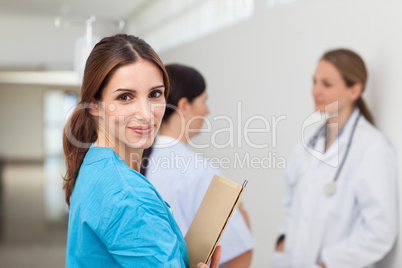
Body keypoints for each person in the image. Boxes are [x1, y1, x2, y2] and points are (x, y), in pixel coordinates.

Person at [63, 34, 221, 268]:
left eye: (155, 94)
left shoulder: (94, 162)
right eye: (125, 97)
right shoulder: (128, 196)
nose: (146, 114)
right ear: (94, 105)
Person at [273, 48, 398, 268]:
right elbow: (290, 205)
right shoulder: (307, 145)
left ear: (354, 90)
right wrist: (282, 243)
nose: (315, 91)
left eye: (326, 84)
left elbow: (380, 231)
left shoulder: (372, 148)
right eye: (314, 82)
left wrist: (328, 263)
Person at [141, 63, 255, 268]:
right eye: (204, 101)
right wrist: (242, 217)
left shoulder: (137, 161)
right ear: (184, 106)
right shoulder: (198, 171)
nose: (207, 110)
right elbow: (239, 255)